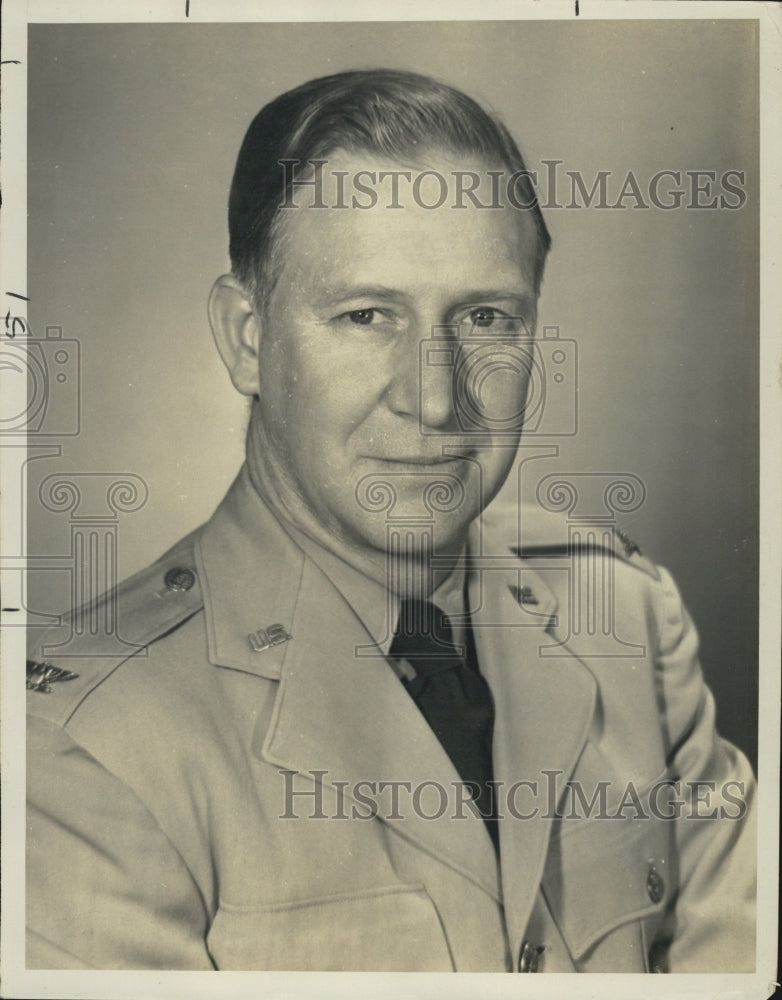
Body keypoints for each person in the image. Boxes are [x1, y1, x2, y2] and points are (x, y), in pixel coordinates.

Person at [26, 69, 756, 973]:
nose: (439, 398)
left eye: (486, 317)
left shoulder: (628, 622)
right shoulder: (80, 752)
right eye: (368, 315)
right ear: (247, 338)